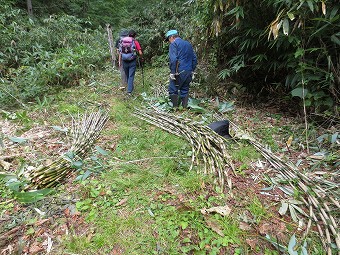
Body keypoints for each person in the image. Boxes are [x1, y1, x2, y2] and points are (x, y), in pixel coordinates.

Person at [165, 29, 197, 108]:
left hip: (178, 71)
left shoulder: (174, 44)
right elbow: (194, 58)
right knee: (185, 89)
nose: (169, 41)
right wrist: (192, 70)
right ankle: (184, 108)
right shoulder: (188, 44)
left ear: (172, 37)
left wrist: (172, 72)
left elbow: (173, 59)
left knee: (173, 89)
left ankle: (175, 108)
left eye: (169, 39)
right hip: (188, 71)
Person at [118, 29, 143, 96]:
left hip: (124, 61)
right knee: (131, 76)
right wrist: (141, 56)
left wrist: (119, 61)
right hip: (132, 61)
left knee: (128, 75)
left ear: (128, 35)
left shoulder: (123, 41)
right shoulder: (135, 42)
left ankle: (130, 87)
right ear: (135, 36)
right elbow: (140, 52)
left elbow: (120, 52)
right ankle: (129, 91)